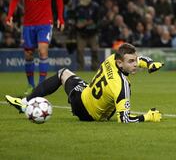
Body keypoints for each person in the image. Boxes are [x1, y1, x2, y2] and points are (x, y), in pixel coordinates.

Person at [5, 43, 164, 123]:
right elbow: (124, 119)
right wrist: (147, 117)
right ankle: (26, 105)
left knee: (63, 73)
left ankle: (26, 102)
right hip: (85, 111)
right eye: (131, 62)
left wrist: (149, 63)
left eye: (135, 60)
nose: (135, 64)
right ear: (120, 63)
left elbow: (138, 58)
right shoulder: (121, 86)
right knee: (64, 73)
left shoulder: (111, 59)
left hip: (85, 95)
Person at [5, 0, 65, 95]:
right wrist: (9, 15)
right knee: (28, 55)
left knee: (43, 51)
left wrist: (60, 17)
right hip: (28, 24)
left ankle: (41, 85)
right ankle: (30, 85)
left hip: (45, 22)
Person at [74, 0, 100, 70]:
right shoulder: (79, 7)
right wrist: (77, 24)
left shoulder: (95, 7)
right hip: (81, 33)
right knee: (80, 51)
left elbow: (96, 20)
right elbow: (76, 19)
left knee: (95, 51)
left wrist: (84, 23)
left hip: (92, 33)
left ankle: (95, 67)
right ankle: (80, 68)